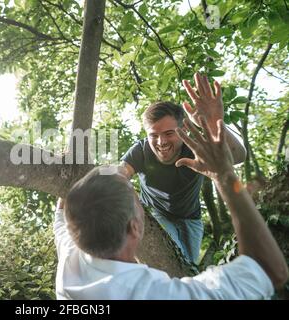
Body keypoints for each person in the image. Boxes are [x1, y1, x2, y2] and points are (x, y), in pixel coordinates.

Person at [54, 116, 288, 299]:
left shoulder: (69, 261)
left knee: (189, 263)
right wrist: (224, 175)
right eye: (135, 199)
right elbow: (269, 269)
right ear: (135, 227)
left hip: (191, 217)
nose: (161, 141)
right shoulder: (160, 293)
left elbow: (60, 217)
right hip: (169, 217)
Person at [119, 73, 246, 264]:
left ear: (183, 130)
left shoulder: (194, 146)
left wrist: (212, 122)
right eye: (154, 135)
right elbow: (121, 172)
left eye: (169, 133)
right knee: (173, 262)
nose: (161, 142)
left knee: (189, 268)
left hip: (191, 218)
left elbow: (238, 156)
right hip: (156, 213)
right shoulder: (141, 150)